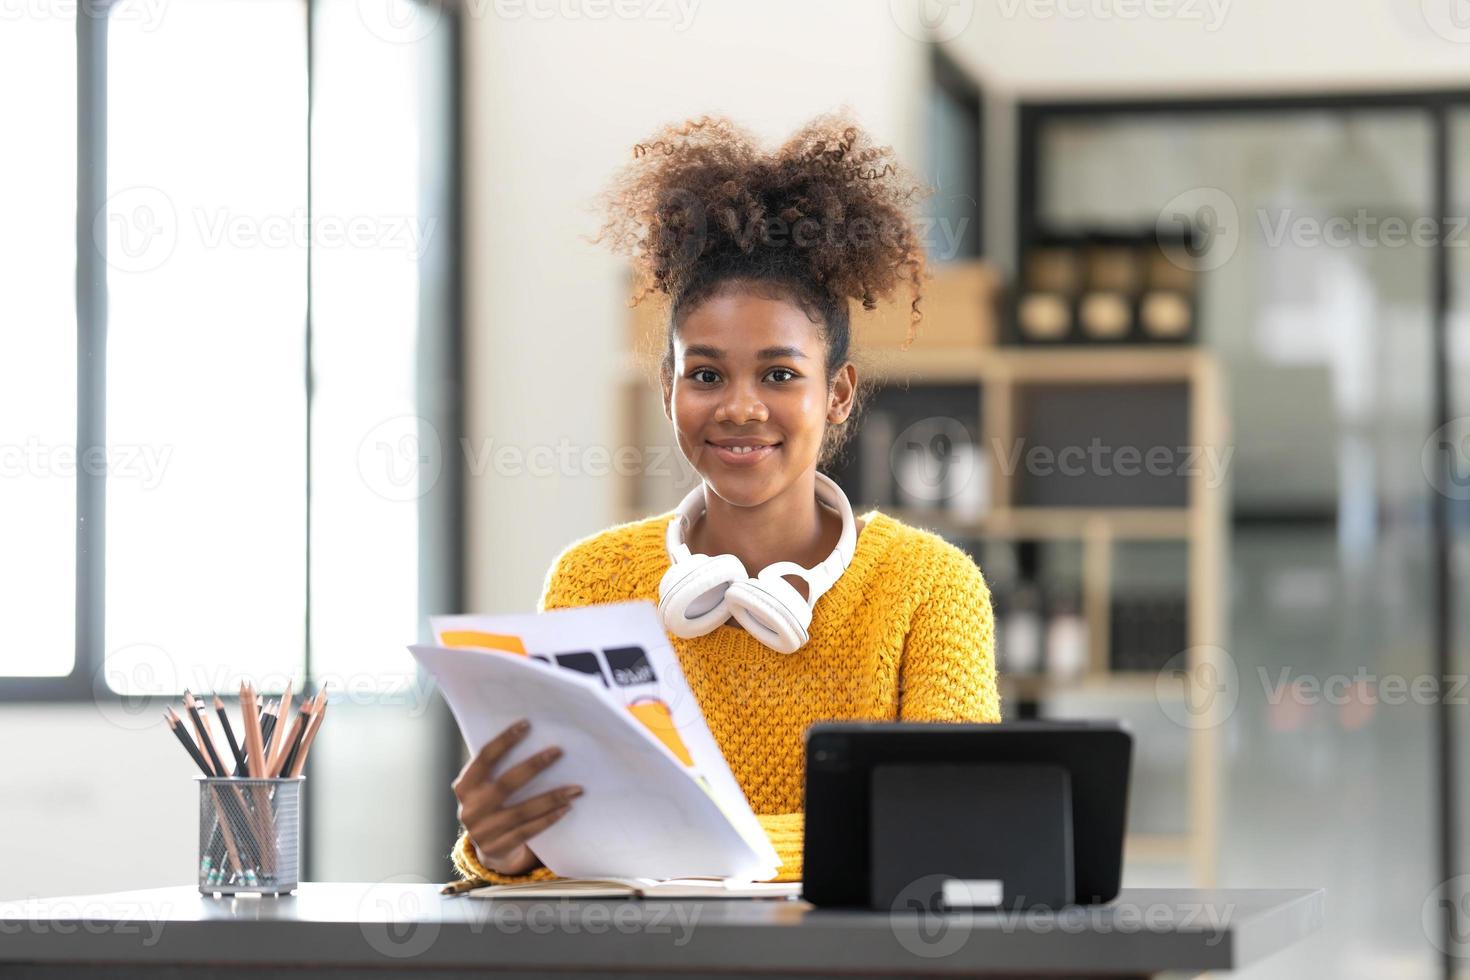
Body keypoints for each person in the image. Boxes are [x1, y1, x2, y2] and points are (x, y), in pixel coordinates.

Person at [451, 113, 1000, 886]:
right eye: (706, 375)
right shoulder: (590, 580)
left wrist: (673, 838)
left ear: (838, 393)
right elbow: (562, 844)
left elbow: (951, 822)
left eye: (779, 374)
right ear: (669, 389)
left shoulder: (928, 588)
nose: (740, 408)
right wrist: (504, 849)